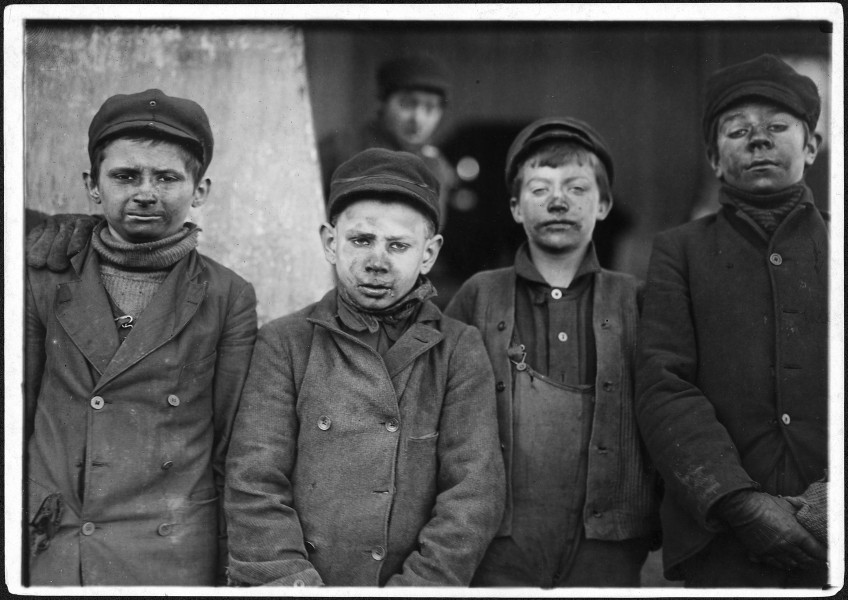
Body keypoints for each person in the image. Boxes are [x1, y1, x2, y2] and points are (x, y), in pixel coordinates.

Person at [224, 148, 505, 587]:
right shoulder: (286, 342)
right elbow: (254, 481)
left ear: (429, 254)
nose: (377, 260)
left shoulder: (457, 350)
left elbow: (472, 495)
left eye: (398, 245)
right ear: (329, 242)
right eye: (360, 240)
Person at [24, 89, 258, 586]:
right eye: (125, 175)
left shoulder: (227, 295)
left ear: (200, 190)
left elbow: (228, 443)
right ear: (93, 186)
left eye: (168, 177)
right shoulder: (44, 275)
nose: (146, 192)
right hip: (59, 546)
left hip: (169, 550)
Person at [636, 54, 829, 587]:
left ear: (812, 146)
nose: (758, 140)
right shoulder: (679, 252)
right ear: (715, 159)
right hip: (721, 540)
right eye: (738, 130)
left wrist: (828, 506)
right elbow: (664, 387)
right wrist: (740, 505)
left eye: (777, 127)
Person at [445, 117, 660, 587]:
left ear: (603, 205)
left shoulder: (637, 301)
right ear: (516, 208)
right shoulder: (478, 296)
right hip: (496, 543)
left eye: (577, 188)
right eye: (539, 189)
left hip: (608, 545)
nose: (558, 201)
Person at [318, 55, 458, 231]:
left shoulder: (435, 165)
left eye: (430, 108)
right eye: (407, 104)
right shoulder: (340, 147)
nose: (418, 119)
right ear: (383, 102)